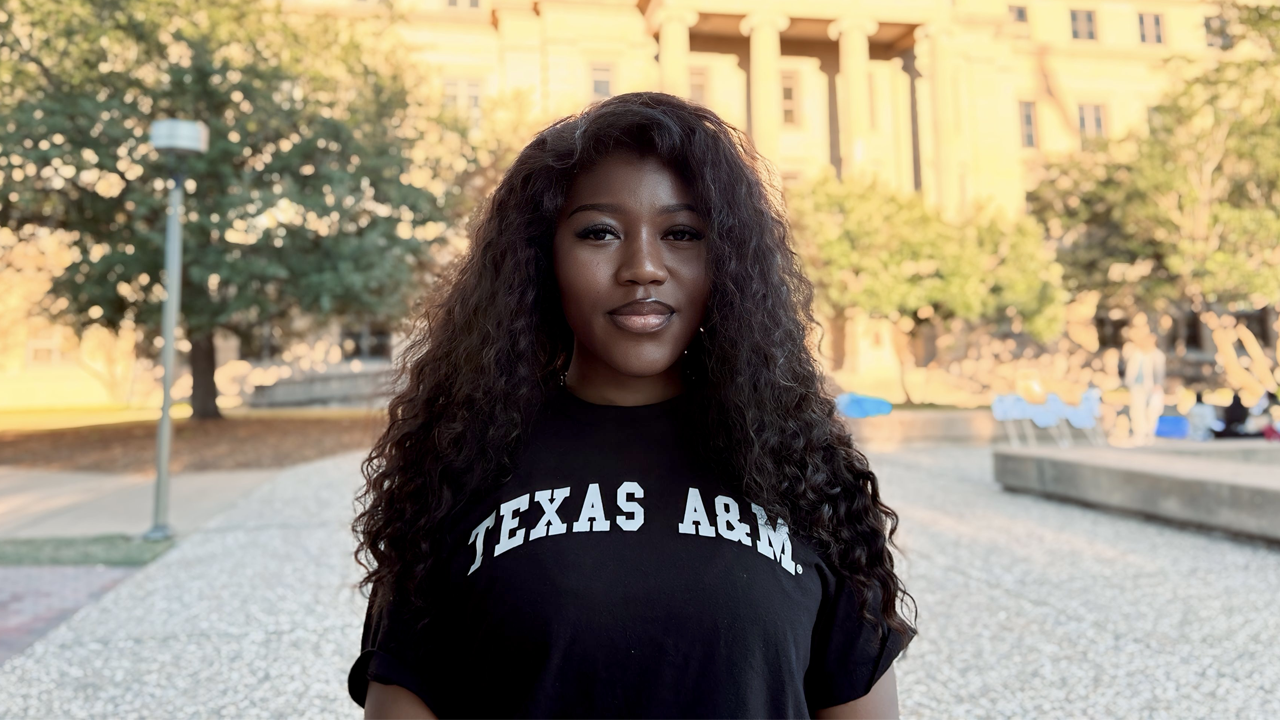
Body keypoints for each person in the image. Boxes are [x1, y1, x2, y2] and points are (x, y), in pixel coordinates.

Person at [348, 93, 915, 719]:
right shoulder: (460, 460)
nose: (643, 267)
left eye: (681, 233)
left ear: (724, 261)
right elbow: (403, 697)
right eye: (599, 232)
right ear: (542, 260)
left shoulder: (807, 469)